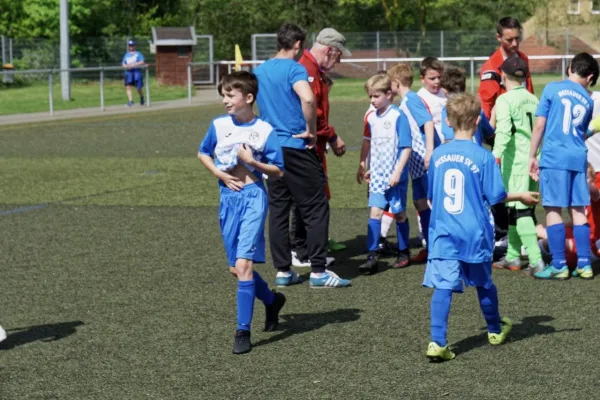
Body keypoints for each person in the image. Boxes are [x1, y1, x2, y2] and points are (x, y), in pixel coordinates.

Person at [423, 93, 539, 362]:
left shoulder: (438, 154)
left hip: (443, 232)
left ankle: (437, 342)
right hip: (473, 232)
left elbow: (431, 196)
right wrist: (520, 194)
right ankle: (495, 330)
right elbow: (496, 196)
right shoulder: (483, 156)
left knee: (443, 286)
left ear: (448, 122)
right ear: (478, 121)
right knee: (484, 283)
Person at [254, 22, 351, 288]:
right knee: (316, 206)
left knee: (278, 211)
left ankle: (283, 271)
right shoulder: (296, 68)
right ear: (297, 45)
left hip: (270, 149)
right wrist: (310, 131)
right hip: (296, 147)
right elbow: (308, 100)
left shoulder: (259, 70)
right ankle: (318, 271)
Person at [197, 71, 287, 355]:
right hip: (228, 199)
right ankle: (272, 301)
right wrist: (219, 175)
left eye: (230, 95)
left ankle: (242, 331)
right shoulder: (219, 125)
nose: (225, 101)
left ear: (248, 98)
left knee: (245, 266)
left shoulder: (264, 131)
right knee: (236, 269)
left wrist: (252, 163)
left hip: (253, 199)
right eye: (223, 95)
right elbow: (203, 152)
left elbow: (278, 170)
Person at [529, 52, 599, 280]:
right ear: (589, 77)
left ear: (569, 68)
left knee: (553, 209)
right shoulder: (588, 100)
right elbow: (580, 133)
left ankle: (559, 265)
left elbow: (540, 126)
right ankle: (585, 265)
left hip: (554, 157)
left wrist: (532, 155)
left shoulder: (551, 88)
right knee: (578, 210)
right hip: (578, 158)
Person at [290, 28, 350, 267]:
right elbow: (314, 112)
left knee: (309, 196)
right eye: (338, 56)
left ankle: (307, 246)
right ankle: (301, 250)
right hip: (307, 143)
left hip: (311, 142)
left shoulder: (310, 68)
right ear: (329, 50)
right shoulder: (308, 70)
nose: (339, 61)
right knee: (310, 198)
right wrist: (332, 136)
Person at [479, 17, 534, 246]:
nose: (514, 44)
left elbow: (529, 91)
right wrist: (491, 136)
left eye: (517, 38)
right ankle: (503, 234)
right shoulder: (491, 67)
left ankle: (523, 232)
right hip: (502, 136)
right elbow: (485, 104)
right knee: (501, 184)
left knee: (524, 181)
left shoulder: (523, 59)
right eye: (509, 39)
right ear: (499, 37)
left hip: (524, 134)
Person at [490, 55, 545, 275]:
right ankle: (512, 257)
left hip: (514, 165)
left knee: (521, 212)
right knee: (516, 210)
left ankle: (536, 260)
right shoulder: (533, 98)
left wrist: (493, 158)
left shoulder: (504, 100)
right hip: (533, 162)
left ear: (503, 75)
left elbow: (502, 132)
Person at [356, 74, 412, 274]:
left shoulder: (398, 116)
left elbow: (406, 147)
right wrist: (369, 167)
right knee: (375, 213)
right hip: (379, 176)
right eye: (370, 96)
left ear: (389, 94)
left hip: (395, 177)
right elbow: (375, 146)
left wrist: (397, 172)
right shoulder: (372, 117)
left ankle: (404, 252)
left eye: (376, 96)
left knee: (399, 214)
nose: (372, 101)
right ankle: (372, 256)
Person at [387, 63, 434, 265]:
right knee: (419, 202)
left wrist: (430, 151)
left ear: (396, 83)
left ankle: (437, 247)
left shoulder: (411, 99)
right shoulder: (404, 102)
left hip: (423, 159)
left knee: (428, 202)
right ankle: (430, 246)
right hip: (414, 163)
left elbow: (428, 122)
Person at [440, 66, 494, 146]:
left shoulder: (448, 110)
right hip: (476, 153)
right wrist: (494, 114)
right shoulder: (476, 107)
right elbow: (489, 133)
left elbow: (449, 138)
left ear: (444, 90)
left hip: (456, 154)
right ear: (464, 88)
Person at [417, 56, 446, 169]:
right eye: (432, 78)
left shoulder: (445, 93)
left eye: (439, 77)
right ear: (422, 79)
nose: (437, 81)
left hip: (448, 147)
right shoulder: (419, 98)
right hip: (431, 150)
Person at [122, 40, 145, 107]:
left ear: (134, 46)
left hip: (136, 73)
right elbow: (123, 63)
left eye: (132, 45)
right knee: (128, 86)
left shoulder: (138, 53)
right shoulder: (126, 54)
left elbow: (142, 61)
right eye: (130, 45)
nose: (131, 47)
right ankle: (131, 101)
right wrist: (126, 66)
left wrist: (134, 64)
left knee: (138, 88)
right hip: (128, 73)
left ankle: (142, 97)